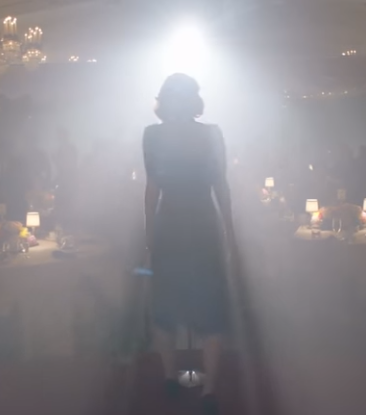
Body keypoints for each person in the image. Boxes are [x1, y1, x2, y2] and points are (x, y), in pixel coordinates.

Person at [143, 74, 239, 414]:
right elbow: (220, 185)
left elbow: (153, 188)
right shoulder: (209, 134)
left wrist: (150, 234)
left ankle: (172, 378)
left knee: (168, 304)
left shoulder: (153, 135)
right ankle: (206, 390)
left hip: (173, 225)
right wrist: (229, 231)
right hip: (198, 225)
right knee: (207, 306)